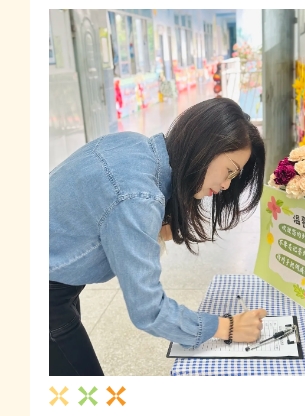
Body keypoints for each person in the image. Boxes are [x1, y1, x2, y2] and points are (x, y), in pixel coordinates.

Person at [49, 97, 268, 376]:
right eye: (230, 171)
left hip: (58, 276)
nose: (226, 185)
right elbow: (148, 310)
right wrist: (228, 327)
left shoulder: (134, 145)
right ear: (207, 147)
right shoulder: (139, 197)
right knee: (86, 393)